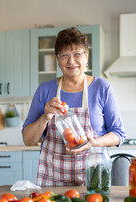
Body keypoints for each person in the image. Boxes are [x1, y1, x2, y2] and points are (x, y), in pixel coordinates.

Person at [22, 27, 126, 186]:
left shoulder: (102, 88)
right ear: (57, 59)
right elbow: (28, 140)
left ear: (87, 56)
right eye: (64, 55)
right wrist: (45, 117)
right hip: (53, 182)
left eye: (77, 54)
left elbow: (119, 134)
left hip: (93, 180)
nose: (71, 61)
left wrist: (94, 142)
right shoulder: (45, 90)